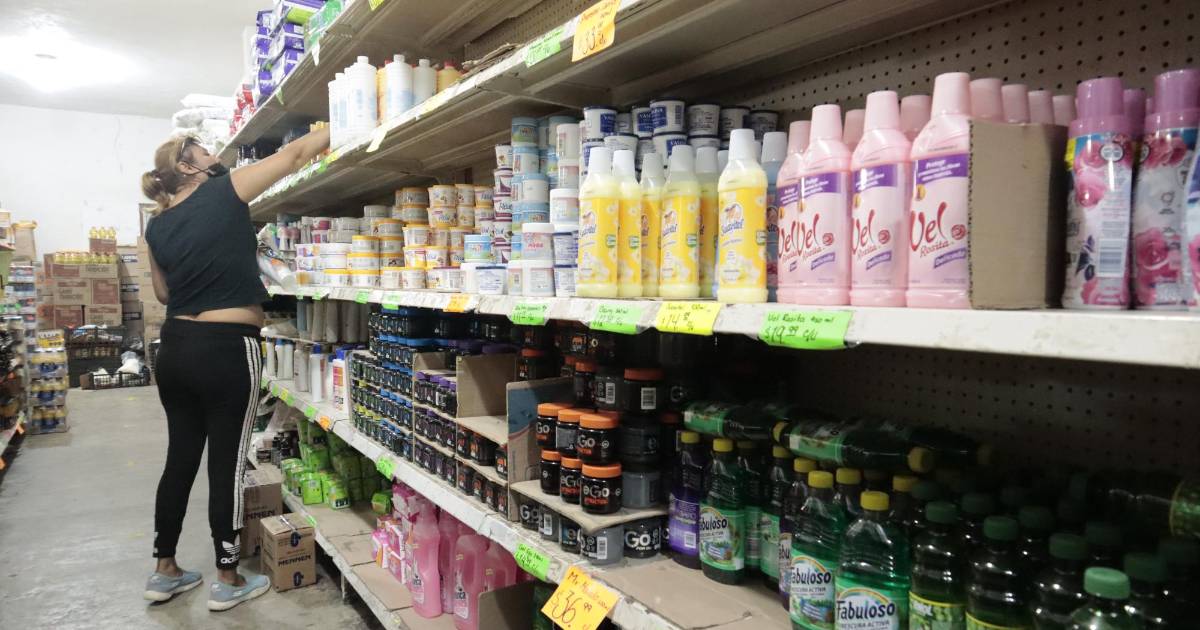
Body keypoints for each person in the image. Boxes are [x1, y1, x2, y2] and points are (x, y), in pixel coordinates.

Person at [139, 127, 329, 611]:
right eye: (205, 151)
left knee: (180, 457)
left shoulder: (156, 226)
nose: (214, 155)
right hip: (226, 349)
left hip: (175, 349)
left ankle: (165, 570)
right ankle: (227, 577)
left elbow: (163, 293)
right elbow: (293, 156)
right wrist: (329, 130)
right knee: (227, 462)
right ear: (187, 166)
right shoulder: (225, 189)